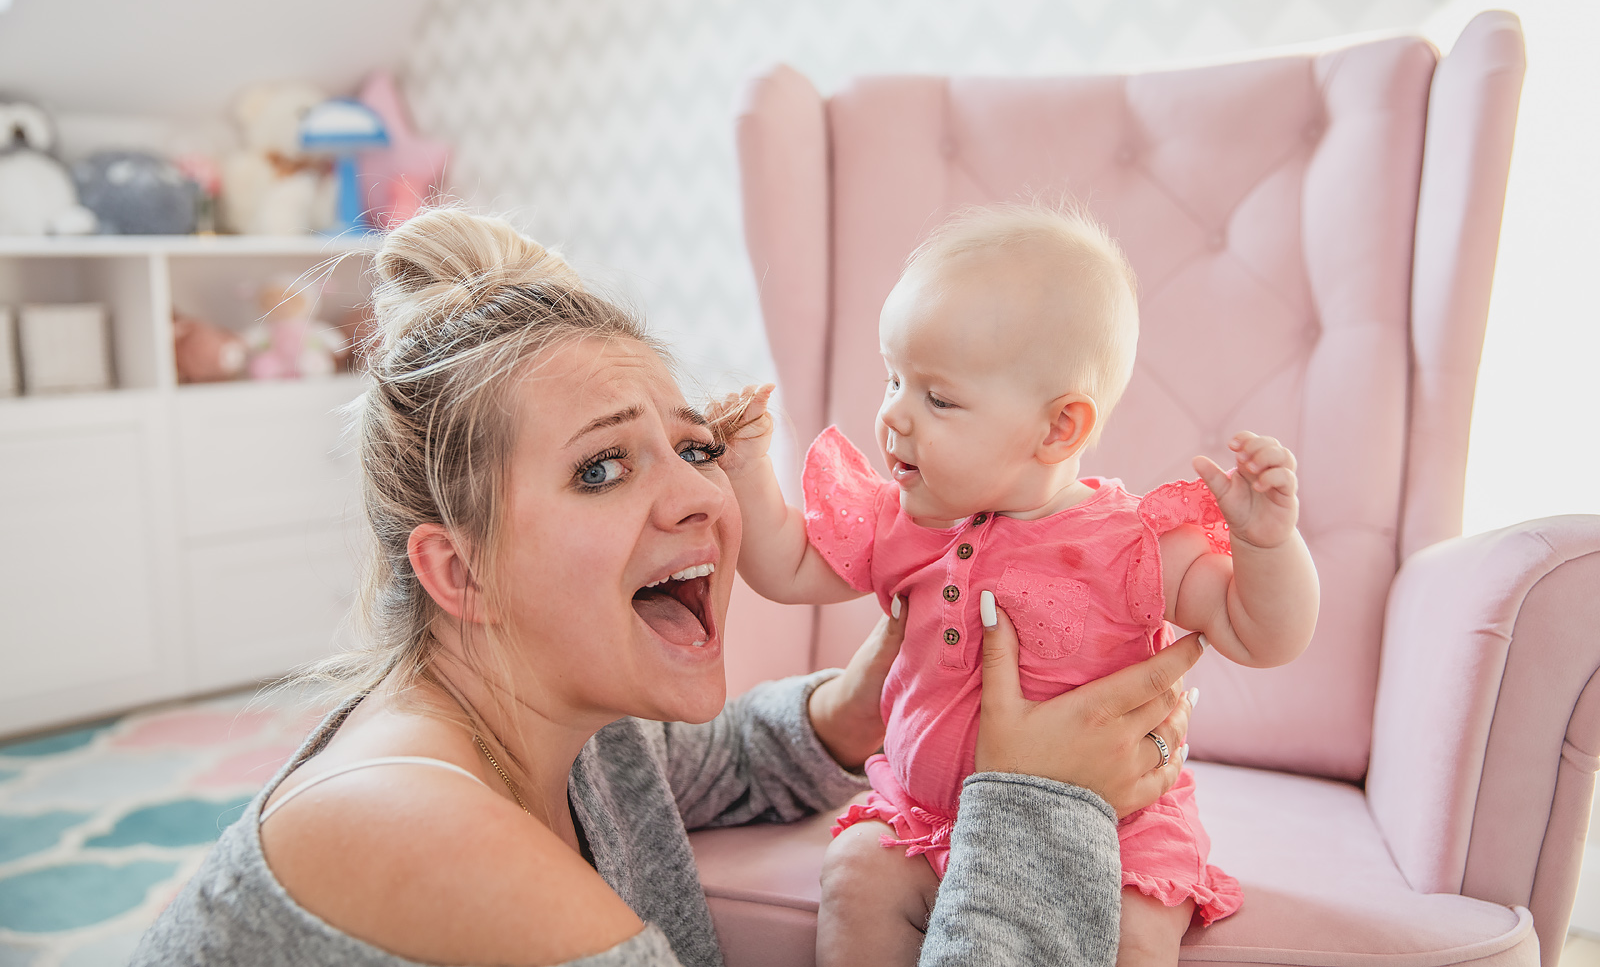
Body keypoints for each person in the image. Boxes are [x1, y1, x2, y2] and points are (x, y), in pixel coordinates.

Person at [131, 207, 1203, 967]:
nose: (699, 499)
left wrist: (859, 701)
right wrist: (1034, 797)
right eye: (601, 466)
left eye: (692, 448)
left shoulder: (569, 734)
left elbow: (716, 761)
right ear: (460, 569)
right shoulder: (418, 826)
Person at [720, 203, 1320, 967]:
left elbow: (1264, 632)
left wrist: (1268, 545)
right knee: (855, 872)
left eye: (937, 397)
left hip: (1106, 821)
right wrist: (744, 471)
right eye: (894, 377)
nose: (894, 415)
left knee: (1134, 933)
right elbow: (788, 565)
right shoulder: (907, 519)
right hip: (927, 812)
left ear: (1058, 429)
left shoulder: (1127, 543)